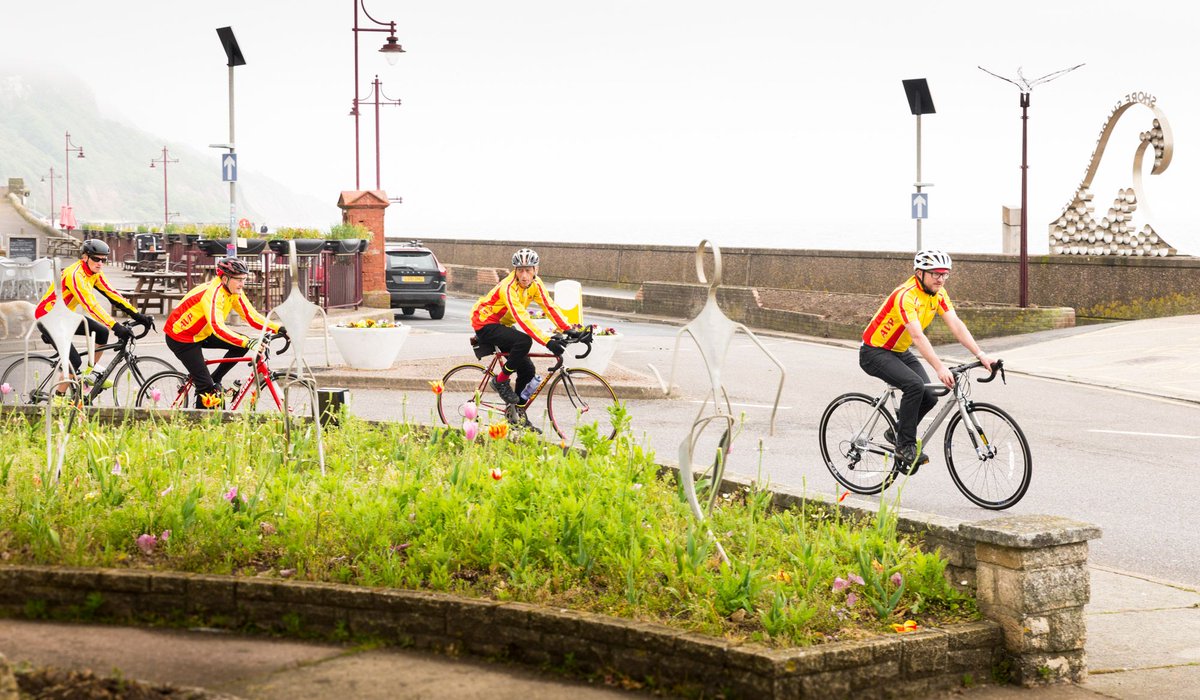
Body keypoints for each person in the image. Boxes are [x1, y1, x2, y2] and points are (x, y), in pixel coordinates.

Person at [860, 250, 994, 473]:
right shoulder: (905, 295)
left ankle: (896, 432)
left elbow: (956, 325)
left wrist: (980, 354)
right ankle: (905, 446)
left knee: (930, 395)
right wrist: (940, 367)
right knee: (914, 385)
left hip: (900, 351)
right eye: (935, 274)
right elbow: (918, 336)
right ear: (919, 273)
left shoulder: (939, 294)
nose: (941, 279)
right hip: (875, 351)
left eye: (945, 274)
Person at [163, 257, 284, 409]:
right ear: (225, 278)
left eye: (244, 279)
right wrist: (249, 342)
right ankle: (200, 421)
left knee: (240, 345)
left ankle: (215, 378)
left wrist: (278, 328)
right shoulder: (212, 294)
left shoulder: (233, 291)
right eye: (239, 279)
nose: (242, 284)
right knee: (206, 387)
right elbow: (218, 328)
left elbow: (251, 317)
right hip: (182, 338)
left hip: (202, 333)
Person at [34, 239, 152, 387]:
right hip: (48, 318)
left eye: (103, 259)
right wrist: (116, 326)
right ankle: (58, 398)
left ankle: (90, 373)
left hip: (64, 316)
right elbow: (91, 305)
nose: (100, 263)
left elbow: (112, 294)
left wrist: (138, 315)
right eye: (96, 259)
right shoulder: (75, 275)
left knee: (102, 332)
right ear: (85, 257)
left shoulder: (95, 273)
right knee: (74, 361)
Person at [470, 248, 571, 405]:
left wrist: (569, 329)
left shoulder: (536, 284)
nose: (524, 275)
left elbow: (549, 306)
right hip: (485, 322)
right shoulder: (508, 287)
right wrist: (548, 342)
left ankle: (516, 416)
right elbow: (522, 319)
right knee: (524, 341)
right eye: (520, 270)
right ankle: (500, 380)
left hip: (503, 324)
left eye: (528, 270)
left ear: (535, 270)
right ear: (515, 270)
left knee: (528, 371)